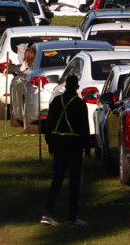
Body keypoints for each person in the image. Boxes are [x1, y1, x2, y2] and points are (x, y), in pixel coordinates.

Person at [40, 74, 91, 228]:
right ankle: (72, 218)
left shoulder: (56, 101)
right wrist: (87, 148)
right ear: (77, 87)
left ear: (65, 86)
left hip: (58, 146)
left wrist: (50, 144)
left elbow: (49, 124)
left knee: (56, 181)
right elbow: (84, 127)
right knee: (74, 184)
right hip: (74, 147)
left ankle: (47, 214)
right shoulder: (80, 104)